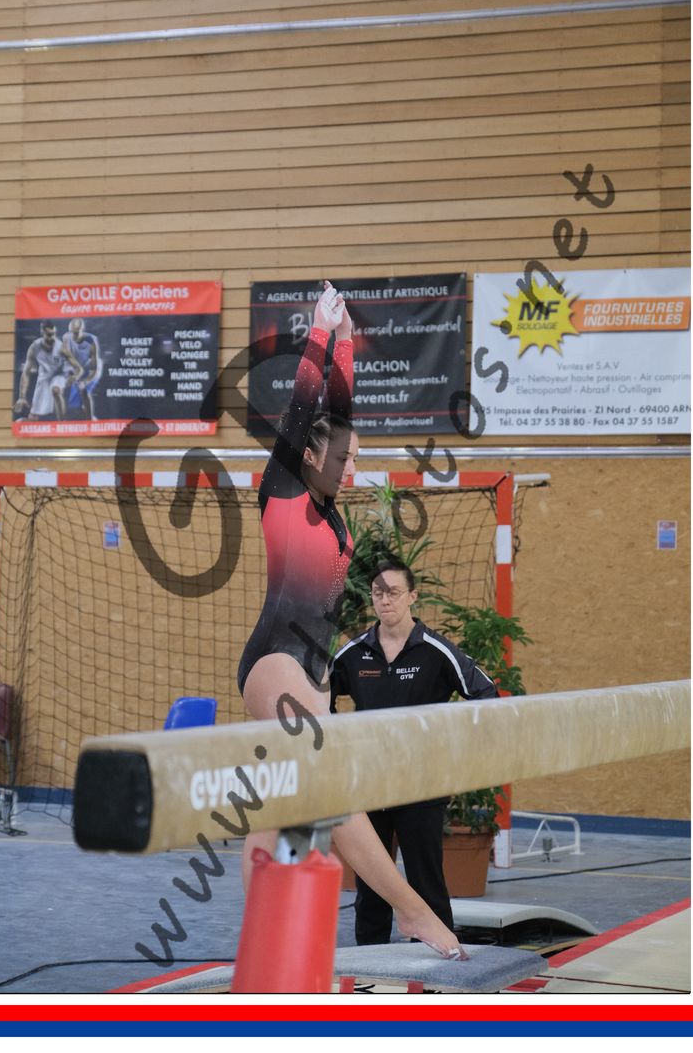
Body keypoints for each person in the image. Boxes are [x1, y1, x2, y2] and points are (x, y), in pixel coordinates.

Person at [237, 280, 467, 960]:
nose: (354, 467)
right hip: (276, 659)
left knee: (285, 806)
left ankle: (264, 945)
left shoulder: (326, 506)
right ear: (308, 456)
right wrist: (317, 332)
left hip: (310, 669)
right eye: (346, 458)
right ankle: (414, 912)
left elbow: (336, 410)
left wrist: (347, 341)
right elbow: (305, 407)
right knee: (331, 788)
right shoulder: (283, 486)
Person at [331, 561, 498, 945]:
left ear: (412, 597)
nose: (385, 600)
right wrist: (341, 749)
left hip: (422, 785)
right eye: (377, 593)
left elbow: (487, 696)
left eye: (393, 592)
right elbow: (318, 697)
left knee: (427, 882)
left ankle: (435, 962)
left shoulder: (437, 651)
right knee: (372, 885)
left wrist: (455, 749)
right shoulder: (354, 653)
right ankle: (370, 966)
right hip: (370, 786)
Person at [14, 321, 70, 421]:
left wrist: (74, 377)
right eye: (49, 335)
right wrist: (22, 397)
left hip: (60, 375)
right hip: (44, 378)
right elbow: (26, 372)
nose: (52, 337)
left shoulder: (61, 347)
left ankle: (63, 423)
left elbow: (74, 364)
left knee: (56, 390)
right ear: (42, 333)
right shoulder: (34, 347)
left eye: (54, 334)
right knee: (31, 419)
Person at [62, 317, 101, 420]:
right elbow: (67, 359)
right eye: (72, 332)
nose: (73, 335)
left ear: (82, 330)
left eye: (76, 333)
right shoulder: (66, 337)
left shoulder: (91, 341)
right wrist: (70, 375)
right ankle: (71, 416)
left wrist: (86, 381)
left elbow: (94, 369)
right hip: (77, 368)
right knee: (69, 392)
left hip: (91, 370)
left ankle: (90, 419)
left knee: (83, 390)